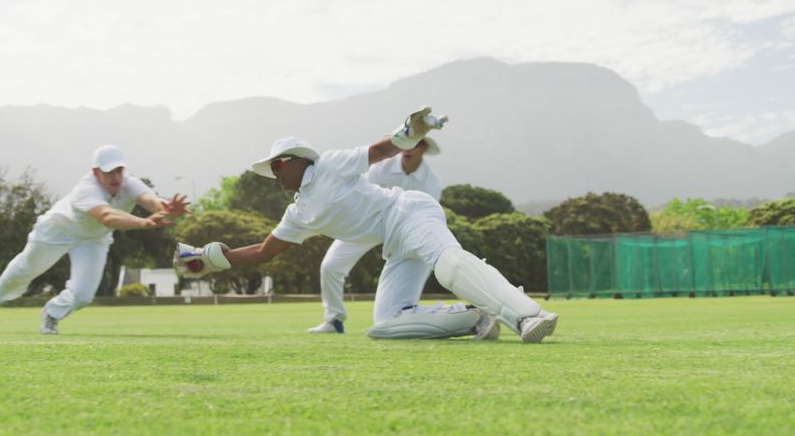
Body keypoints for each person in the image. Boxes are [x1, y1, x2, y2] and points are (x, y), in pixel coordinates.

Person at [174, 108, 558, 342]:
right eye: (270, 168)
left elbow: (382, 150)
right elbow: (262, 252)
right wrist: (212, 259)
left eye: (277, 164)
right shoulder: (297, 213)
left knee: (449, 264)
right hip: (394, 244)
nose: (273, 173)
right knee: (385, 325)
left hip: (410, 213)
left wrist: (410, 133)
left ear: (296, 160)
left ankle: (527, 316)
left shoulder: (329, 165)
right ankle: (478, 317)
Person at [0, 145, 189, 334]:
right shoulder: (86, 189)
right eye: (109, 172)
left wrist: (167, 208)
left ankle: (52, 315)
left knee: (83, 295)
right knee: (27, 268)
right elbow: (107, 217)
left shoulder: (129, 183)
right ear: (96, 172)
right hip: (58, 229)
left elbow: (151, 201)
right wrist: (144, 223)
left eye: (119, 170)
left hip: (93, 239)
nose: (116, 177)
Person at [308, 136, 443, 334]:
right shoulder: (381, 168)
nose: (410, 148)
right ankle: (334, 320)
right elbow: (360, 194)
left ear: (424, 149)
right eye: (409, 143)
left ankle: (407, 315)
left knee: (412, 275)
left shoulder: (431, 183)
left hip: (406, 233)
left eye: (417, 144)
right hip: (368, 223)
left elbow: (426, 218)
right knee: (330, 266)